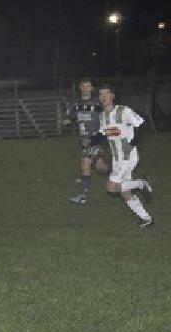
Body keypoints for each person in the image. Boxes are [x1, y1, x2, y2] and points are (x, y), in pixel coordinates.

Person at [98, 84, 155, 227]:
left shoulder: (123, 111)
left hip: (128, 157)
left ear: (112, 96)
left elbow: (142, 124)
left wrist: (134, 142)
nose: (103, 97)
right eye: (100, 95)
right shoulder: (102, 116)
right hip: (117, 159)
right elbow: (101, 135)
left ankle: (141, 183)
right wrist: (91, 145)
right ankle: (146, 218)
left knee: (111, 188)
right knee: (125, 192)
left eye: (106, 94)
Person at [64, 79, 109, 205]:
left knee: (85, 164)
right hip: (84, 140)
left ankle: (83, 196)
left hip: (95, 138)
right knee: (100, 167)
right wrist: (67, 120)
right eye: (83, 86)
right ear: (80, 88)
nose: (85, 88)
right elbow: (69, 115)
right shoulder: (75, 104)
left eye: (88, 86)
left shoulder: (98, 103)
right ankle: (119, 178)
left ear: (91, 88)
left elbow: (107, 115)